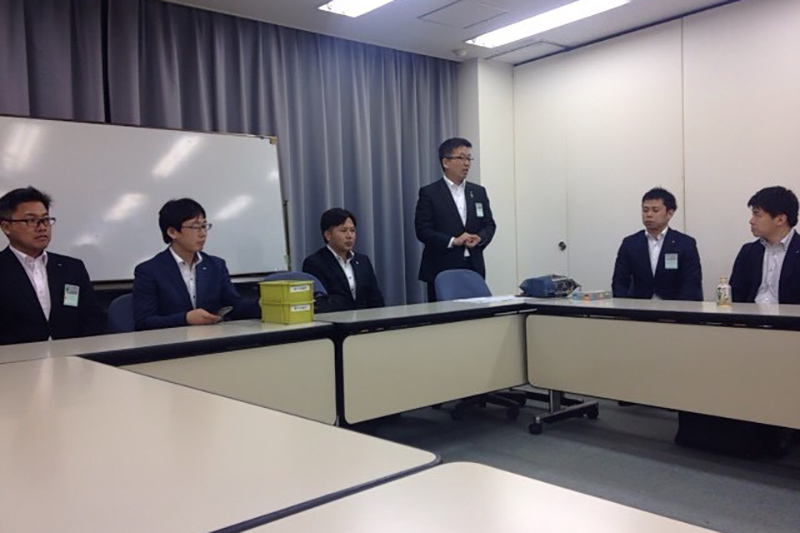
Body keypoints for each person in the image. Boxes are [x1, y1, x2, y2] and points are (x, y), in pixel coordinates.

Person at [133, 198, 260, 330]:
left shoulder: (216, 266)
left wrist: (262, 305)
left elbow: (235, 306)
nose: (203, 234)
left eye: (204, 226)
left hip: (212, 338)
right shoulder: (149, 271)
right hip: (171, 341)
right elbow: (144, 322)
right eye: (195, 227)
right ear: (172, 232)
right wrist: (185, 318)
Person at [0, 186, 103, 345]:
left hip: (72, 355)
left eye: (46, 219)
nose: (42, 227)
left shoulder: (72, 268)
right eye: (31, 220)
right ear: (6, 227)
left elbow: (93, 318)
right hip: (15, 357)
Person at [415, 137, 496, 302]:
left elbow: (489, 224)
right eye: (461, 158)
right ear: (446, 162)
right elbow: (422, 230)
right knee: (444, 316)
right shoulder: (430, 193)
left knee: (476, 313)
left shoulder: (478, 192)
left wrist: (480, 238)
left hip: (473, 266)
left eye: (469, 158)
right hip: (441, 268)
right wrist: (453, 241)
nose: (467, 164)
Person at [612, 187, 703, 301]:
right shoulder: (630, 243)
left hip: (675, 307)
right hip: (638, 307)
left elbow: (691, 283)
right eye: (645, 210)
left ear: (669, 213)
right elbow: (620, 282)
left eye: (655, 210)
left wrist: (679, 309)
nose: (649, 215)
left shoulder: (685, 244)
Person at [302, 208, 384, 312]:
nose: (349, 236)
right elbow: (321, 302)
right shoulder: (315, 263)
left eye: (352, 231)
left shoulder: (363, 261)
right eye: (343, 231)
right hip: (334, 320)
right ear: (328, 235)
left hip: (365, 320)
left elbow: (376, 299)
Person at [730, 186, 800, 304]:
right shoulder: (748, 251)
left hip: (790, 315)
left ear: (780, 219)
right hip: (751, 314)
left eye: (757, 215)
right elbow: (736, 295)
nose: (751, 221)